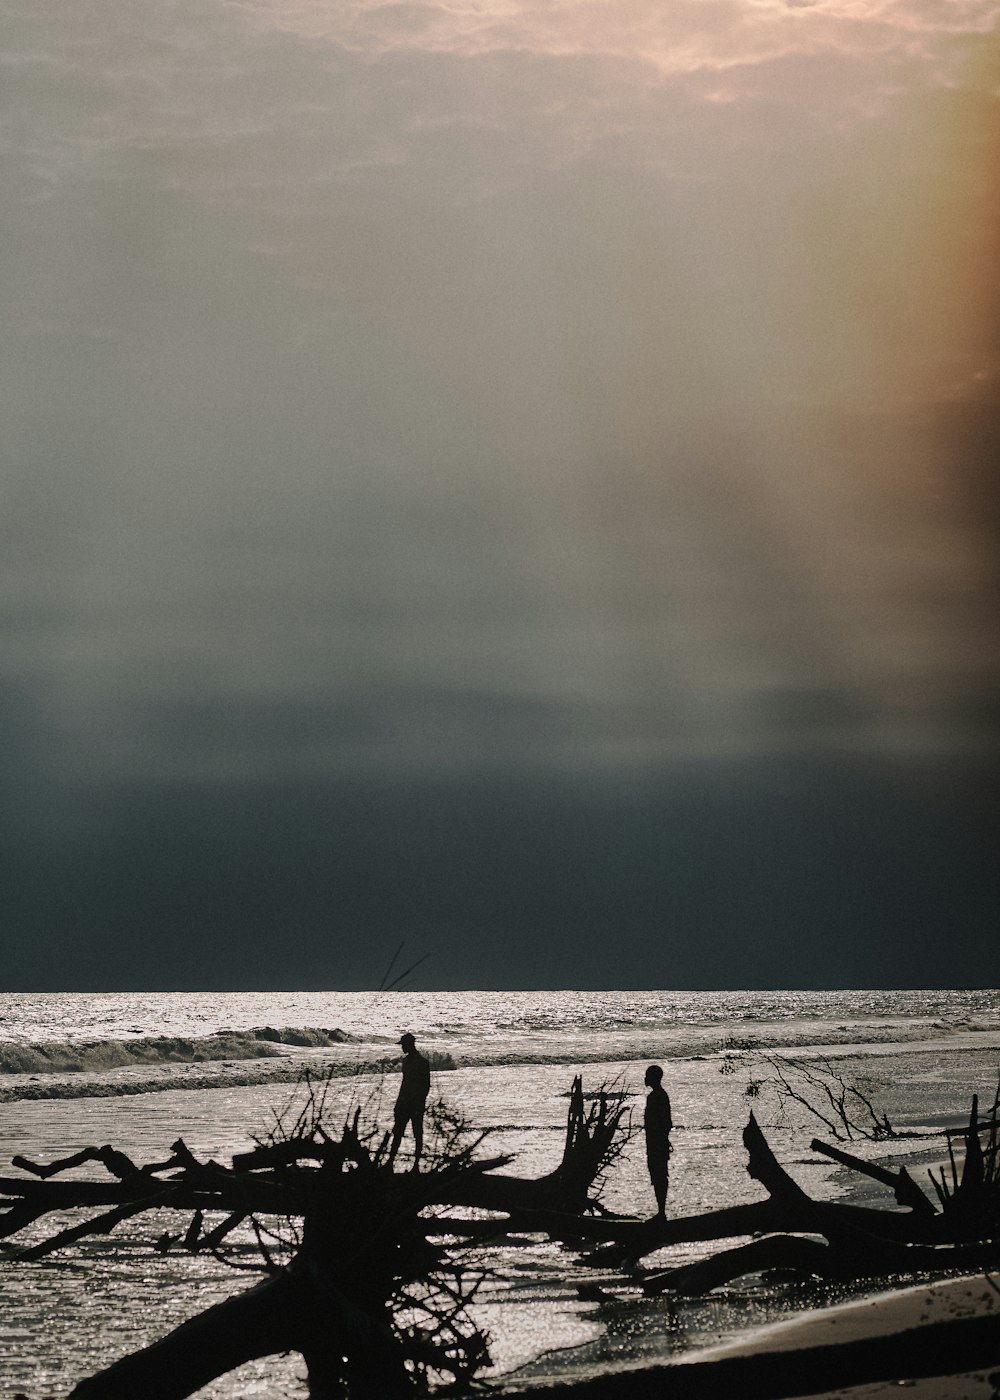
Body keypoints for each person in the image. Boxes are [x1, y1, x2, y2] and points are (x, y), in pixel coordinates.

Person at [387, 1032, 431, 1171]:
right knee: (401, 1133)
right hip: (406, 1102)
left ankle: (415, 1165)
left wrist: (419, 1103)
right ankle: (391, 1163)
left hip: (413, 1103)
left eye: (403, 1045)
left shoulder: (422, 1063)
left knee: (416, 1134)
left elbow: (425, 1085)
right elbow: (405, 1084)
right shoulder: (409, 1061)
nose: (402, 1048)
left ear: (409, 1044)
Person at [643, 1064, 672, 1217]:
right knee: (657, 1175)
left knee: (659, 1175)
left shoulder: (657, 1097)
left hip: (657, 1143)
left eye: (648, 1075)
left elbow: (665, 1122)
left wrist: (660, 1139)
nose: (645, 1078)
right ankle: (661, 1210)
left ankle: (661, 1211)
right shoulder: (657, 1096)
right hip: (655, 1142)